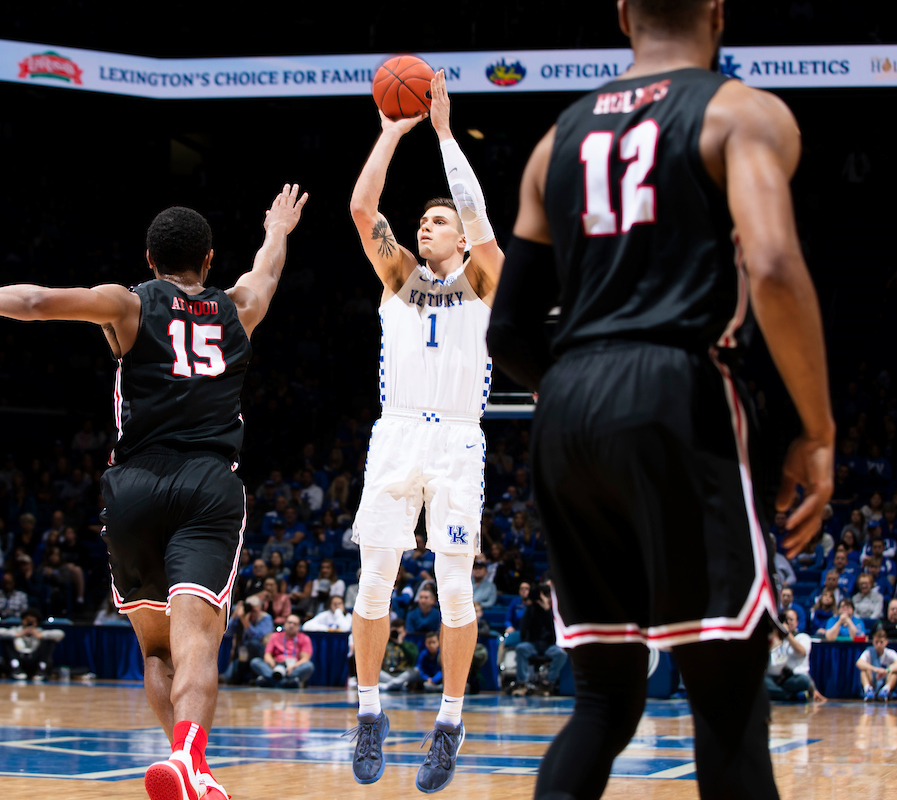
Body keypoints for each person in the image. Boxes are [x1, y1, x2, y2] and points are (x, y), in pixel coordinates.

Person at [489, 4, 836, 791]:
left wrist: (584, 393)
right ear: (718, 12)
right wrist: (815, 431)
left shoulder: (555, 141)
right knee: (726, 707)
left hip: (567, 403)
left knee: (604, 704)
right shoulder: (741, 110)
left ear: (622, 15)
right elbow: (775, 265)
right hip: (676, 388)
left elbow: (508, 330)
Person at [0, 185, 308, 800]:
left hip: (133, 487)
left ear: (149, 261)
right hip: (208, 482)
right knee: (199, 640)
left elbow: (37, 301)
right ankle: (189, 756)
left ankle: (192, 771)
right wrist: (278, 228)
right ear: (209, 261)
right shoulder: (237, 308)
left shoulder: (127, 305)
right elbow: (266, 271)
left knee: (157, 648)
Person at [345, 68, 505, 793]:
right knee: (373, 581)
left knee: (453, 587)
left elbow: (479, 224)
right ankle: (370, 710)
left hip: (458, 441)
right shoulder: (401, 281)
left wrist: (442, 135)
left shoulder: (481, 278)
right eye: (422, 222)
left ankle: (449, 722)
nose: (424, 226)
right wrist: (389, 134)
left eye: (435, 222)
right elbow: (360, 206)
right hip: (398, 433)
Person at [513, 583, 568, 695]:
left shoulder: (555, 610)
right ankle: (523, 683)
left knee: (561, 654)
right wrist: (531, 607)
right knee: (521, 648)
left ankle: (548, 683)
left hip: (549, 645)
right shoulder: (531, 609)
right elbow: (525, 627)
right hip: (533, 644)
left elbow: (556, 630)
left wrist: (547, 610)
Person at [0, 609, 65, 681]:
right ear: (23, 620)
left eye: (32, 622)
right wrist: (18, 634)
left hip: (34, 661)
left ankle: (41, 670)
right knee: (6, 640)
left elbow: (61, 633)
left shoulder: (39, 632)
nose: (29, 624)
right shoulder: (16, 630)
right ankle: (16, 669)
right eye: (27, 620)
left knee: (50, 641)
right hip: (18, 659)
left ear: (36, 623)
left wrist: (39, 635)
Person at [253, 614, 314, 688]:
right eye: (289, 623)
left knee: (309, 666)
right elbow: (267, 654)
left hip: (293, 667)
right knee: (255, 662)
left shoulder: (304, 638)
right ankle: (286, 683)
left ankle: (271, 681)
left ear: (298, 627)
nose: (291, 625)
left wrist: (293, 667)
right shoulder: (275, 636)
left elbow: (305, 658)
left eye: (295, 624)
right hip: (276, 666)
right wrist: (271, 663)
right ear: (285, 624)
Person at [221, 599, 274, 686]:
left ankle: (255, 676)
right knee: (228, 678)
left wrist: (245, 622)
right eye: (249, 610)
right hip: (243, 655)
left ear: (260, 609)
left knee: (252, 643)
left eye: (254, 611)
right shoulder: (241, 616)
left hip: (260, 653)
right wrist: (235, 615)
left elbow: (256, 636)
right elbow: (227, 633)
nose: (251, 613)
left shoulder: (266, 618)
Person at [765, 609, 812, 702]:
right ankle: (790, 696)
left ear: (797, 622)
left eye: (791, 620)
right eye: (786, 620)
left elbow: (801, 652)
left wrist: (786, 633)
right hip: (775, 678)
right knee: (761, 682)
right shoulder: (777, 638)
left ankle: (777, 694)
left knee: (805, 681)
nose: (788, 622)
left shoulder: (802, 637)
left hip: (792, 679)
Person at [856, 628, 897, 701]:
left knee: (894, 671)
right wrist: (875, 669)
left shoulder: (890, 652)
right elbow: (859, 663)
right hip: (872, 679)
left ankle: (885, 690)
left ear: (886, 642)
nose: (878, 645)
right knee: (864, 670)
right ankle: (868, 690)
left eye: (881, 642)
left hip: (885, 680)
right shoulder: (869, 651)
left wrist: (886, 671)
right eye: (876, 642)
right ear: (873, 641)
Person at [377, 619, 421, 691]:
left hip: (403, 674)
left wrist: (401, 644)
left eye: (399, 632)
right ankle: (399, 684)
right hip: (387, 674)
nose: (396, 634)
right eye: (394, 632)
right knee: (376, 671)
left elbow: (413, 658)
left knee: (415, 671)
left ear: (404, 633)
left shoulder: (410, 645)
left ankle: (388, 686)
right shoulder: (385, 644)